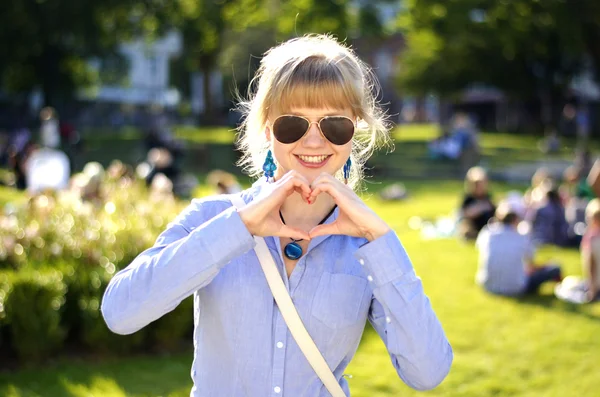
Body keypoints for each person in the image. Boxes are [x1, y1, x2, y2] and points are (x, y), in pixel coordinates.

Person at [101, 34, 452, 396]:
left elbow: (427, 373)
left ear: (354, 129)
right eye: (292, 124)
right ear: (268, 128)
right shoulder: (211, 217)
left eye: (333, 125)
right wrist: (237, 229)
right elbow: (121, 312)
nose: (314, 142)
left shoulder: (366, 244)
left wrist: (382, 243)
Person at [476, 201, 562, 296]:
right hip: (517, 288)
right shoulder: (522, 237)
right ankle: (560, 288)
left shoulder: (487, 233)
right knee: (555, 268)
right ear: (516, 220)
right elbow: (531, 266)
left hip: (488, 285)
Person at [457, 166, 496, 240]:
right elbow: (463, 214)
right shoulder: (468, 198)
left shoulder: (487, 197)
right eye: (477, 184)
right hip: (473, 225)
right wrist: (478, 209)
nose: (480, 187)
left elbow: (494, 211)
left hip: (487, 225)